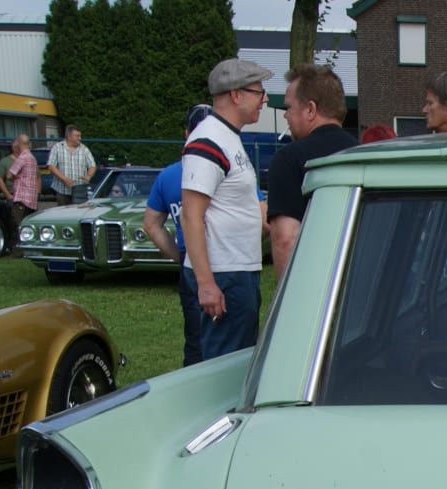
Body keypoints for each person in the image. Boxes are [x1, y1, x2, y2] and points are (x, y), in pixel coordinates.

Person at [182, 58, 272, 360]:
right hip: (225, 273)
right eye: (258, 92)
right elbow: (191, 214)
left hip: (236, 270)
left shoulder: (228, 137)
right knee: (226, 366)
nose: (265, 99)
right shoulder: (209, 139)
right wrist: (207, 284)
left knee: (239, 360)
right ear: (236, 94)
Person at [267, 64, 357, 275]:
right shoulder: (363, 154)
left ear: (310, 109)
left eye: (288, 107)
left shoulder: (288, 159)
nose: (285, 116)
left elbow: (285, 239)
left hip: (316, 284)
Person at [144, 104, 214, 366]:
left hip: (190, 262)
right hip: (225, 259)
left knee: (195, 337)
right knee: (231, 338)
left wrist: (179, 255)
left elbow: (151, 224)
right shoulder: (228, 169)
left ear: (187, 133)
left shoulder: (168, 176)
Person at [4, 136, 40, 255]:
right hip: (32, 199)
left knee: (18, 225)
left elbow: (9, 175)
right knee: (29, 227)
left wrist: (15, 177)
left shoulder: (22, 158)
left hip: (21, 197)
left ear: (20, 144)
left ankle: (18, 251)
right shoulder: (32, 158)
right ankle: (32, 250)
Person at [48, 126, 96, 204]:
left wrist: (89, 175)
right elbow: (51, 166)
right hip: (62, 190)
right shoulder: (57, 148)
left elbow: (92, 165)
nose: (79, 138)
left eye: (80, 136)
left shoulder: (84, 149)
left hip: (80, 191)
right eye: (77, 136)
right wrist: (64, 179)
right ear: (69, 137)